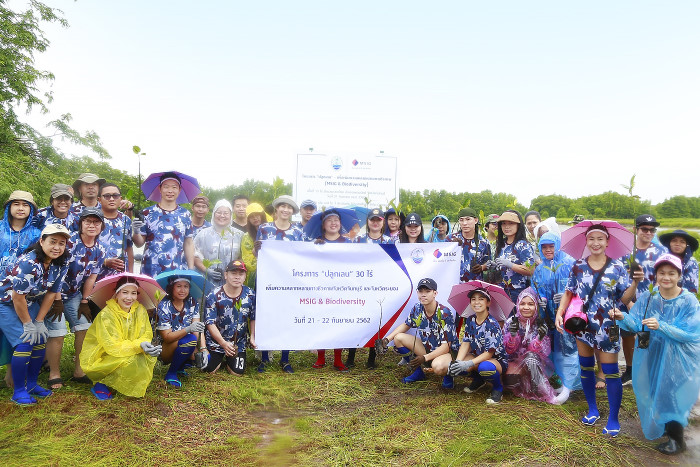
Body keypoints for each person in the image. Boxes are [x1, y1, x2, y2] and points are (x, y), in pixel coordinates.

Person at [610, 254, 700, 455]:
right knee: (653, 390)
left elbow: (690, 333)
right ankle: (666, 428)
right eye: (662, 273)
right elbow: (636, 325)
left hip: (679, 358)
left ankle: (677, 440)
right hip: (652, 354)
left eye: (671, 273)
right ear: (655, 275)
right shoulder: (649, 297)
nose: (666, 277)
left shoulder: (689, 301)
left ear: (679, 275)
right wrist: (622, 316)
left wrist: (662, 326)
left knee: (671, 394)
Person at [554, 223, 638, 437]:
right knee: (586, 367)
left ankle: (613, 418)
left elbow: (624, 298)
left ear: (608, 242)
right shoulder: (578, 265)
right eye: (591, 239)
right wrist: (560, 313)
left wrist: (635, 284)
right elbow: (569, 292)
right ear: (586, 242)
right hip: (582, 325)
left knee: (610, 372)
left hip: (607, 326)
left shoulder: (617, 268)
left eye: (600, 239)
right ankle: (592, 409)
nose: (596, 243)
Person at [0, 224, 70, 405]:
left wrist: (39, 321)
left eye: (61, 243)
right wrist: (28, 323)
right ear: (41, 241)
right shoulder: (29, 263)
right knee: (25, 340)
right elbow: (17, 297)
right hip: (5, 302)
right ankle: (19, 391)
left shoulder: (61, 262)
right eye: (52, 242)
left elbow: (51, 292)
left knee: (40, 338)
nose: (57, 247)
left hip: (28, 301)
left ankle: (32, 385)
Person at [45, 208, 106, 390]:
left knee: (84, 326)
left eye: (96, 222)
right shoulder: (69, 242)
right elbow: (55, 270)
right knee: (58, 331)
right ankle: (54, 373)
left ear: (102, 226)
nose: (92, 225)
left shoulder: (100, 249)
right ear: (81, 223)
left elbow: (91, 278)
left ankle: (79, 370)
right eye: (88, 221)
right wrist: (56, 300)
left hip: (73, 294)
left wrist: (85, 300)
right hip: (52, 293)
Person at [80, 276, 161, 400]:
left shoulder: (139, 310)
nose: (129, 297)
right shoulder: (107, 314)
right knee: (131, 359)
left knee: (142, 357)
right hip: (106, 353)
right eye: (125, 292)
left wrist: (144, 343)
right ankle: (101, 382)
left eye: (133, 293)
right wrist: (138, 346)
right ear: (117, 293)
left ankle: (119, 381)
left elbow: (145, 333)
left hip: (130, 348)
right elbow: (112, 346)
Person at [255, 195, 303, 373]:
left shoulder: (297, 232)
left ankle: (285, 358)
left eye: (289, 207)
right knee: (266, 315)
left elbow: (303, 255)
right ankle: (265, 358)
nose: (285, 209)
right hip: (267, 280)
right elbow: (256, 252)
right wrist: (256, 248)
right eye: (282, 206)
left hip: (288, 281)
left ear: (292, 211)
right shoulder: (264, 228)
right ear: (276, 209)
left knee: (286, 317)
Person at [619, 214, 668, 386]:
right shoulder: (625, 252)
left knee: (646, 334)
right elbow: (619, 278)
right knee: (627, 335)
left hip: (651, 302)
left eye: (652, 230)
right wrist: (629, 302)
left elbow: (664, 277)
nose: (648, 233)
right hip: (628, 300)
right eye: (644, 229)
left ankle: (645, 370)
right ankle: (630, 369)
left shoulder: (661, 252)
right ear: (636, 230)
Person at [381, 278, 456, 388]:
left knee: (438, 367)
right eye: (421, 291)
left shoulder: (444, 313)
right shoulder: (418, 308)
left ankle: (448, 375)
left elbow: (446, 346)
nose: (423, 295)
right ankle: (417, 372)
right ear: (417, 293)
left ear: (435, 293)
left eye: (427, 291)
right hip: (427, 347)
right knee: (398, 338)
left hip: (445, 352)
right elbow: (407, 325)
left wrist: (425, 358)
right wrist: (387, 339)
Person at [531, 232, 579, 404]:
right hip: (548, 316)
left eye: (551, 246)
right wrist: (540, 299)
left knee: (568, 349)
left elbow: (578, 287)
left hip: (566, 315)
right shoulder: (539, 269)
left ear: (558, 245)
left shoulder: (568, 263)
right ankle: (558, 383)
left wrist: (568, 296)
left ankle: (570, 385)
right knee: (551, 350)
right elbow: (535, 287)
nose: (548, 250)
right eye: (544, 247)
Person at [447, 288, 508, 404]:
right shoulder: (470, 320)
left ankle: (497, 388)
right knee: (456, 366)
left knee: (485, 368)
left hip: (496, 361)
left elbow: (489, 353)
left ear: (488, 302)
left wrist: (468, 363)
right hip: (478, 356)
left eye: (481, 299)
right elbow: (466, 342)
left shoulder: (492, 324)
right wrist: (459, 362)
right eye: (473, 299)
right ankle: (479, 380)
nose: (476, 302)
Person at [132, 172, 195, 277]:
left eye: (174, 187)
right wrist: (136, 231)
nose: (170, 191)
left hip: (175, 269)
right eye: (166, 187)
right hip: (150, 269)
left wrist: (191, 268)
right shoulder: (147, 213)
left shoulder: (186, 214)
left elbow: (188, 243)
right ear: (160, 189)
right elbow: (139, 243)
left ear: (179, 190)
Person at [312, 209, 353, 372]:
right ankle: (320, 357)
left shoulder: (348, 244)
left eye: (336, 220)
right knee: (322, 321)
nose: (333, 223)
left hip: (341, 288)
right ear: (323, 225)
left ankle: (338, 359)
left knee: (339, 322)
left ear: (340, 224)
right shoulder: (316, 243)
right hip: (321, 288)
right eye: (329, 220)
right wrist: (317, 248)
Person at [503, 287, 559, 404]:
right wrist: (512, 336)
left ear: (536, 307)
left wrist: (540, 338)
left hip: (534, 364)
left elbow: (542, 353)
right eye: (522, 304)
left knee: (531, 357)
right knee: (511, 380)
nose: (526, 307)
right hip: (514, 363)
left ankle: (544, 392)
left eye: (530, 304)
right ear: (517, 304)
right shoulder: (510, 322)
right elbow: (507, 351)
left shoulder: (539, 323)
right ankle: (525, 388)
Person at [203, 260, 256, 375]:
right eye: (233, 273)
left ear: (245, 276)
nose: (237, 277)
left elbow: (253, 317)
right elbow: (209, 323)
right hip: (216, 343)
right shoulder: (213, 295)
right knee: (209, 370)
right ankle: (217, 358)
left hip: (238, 344)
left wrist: (252, 336)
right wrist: (222, 343)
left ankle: (230, 361)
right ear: (226, 275)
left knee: (237, 372)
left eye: (241, 274)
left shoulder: (250, 294)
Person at [156, 276, 205, 387]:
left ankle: (180, 367)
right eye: (178, 286)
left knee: (204, 356)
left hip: (186, 342)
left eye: (186, 286)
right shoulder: (164, 305)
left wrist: (203, 349)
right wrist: (188, 329)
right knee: (190, 340)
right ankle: (171, 373)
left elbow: (196, 329)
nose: (182, 290)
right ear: (171, 288)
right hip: (166, 347)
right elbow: (167, 337)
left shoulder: (192, 302)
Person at [193, 200, 243, 289]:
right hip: (207, 282)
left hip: (232, 284)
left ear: (231, 215)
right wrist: (206, 270)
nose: (222, 216)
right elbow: (194, 256)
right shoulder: (203, 234)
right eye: (219, 212)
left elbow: (243, 257)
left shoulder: (239, 235)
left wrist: (233, 272)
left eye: (226, 213)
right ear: (214, 214)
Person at [493, 210, 535, 305]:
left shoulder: (522, 245)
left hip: (517, 291)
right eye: (503, 224)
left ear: (518, 225)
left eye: (511, 223)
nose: (507, 227)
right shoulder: (502, 244)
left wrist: (510, 264)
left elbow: (530, 271)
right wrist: (494, 266)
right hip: (502, 290)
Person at [97, 183, 134, 279]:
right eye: (107, 196)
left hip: (120, 275)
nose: (112, 199)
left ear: (120, 198)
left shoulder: (126, 219)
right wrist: (104, 261)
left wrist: (131, 274)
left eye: (115, 196)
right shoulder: (92, 219)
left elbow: (129, 247)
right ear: (99, 200)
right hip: (95, 275)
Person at [0, 191, 41, 274]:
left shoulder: (36, 234)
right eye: (16, 204)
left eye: (25, 205)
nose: (20, 208)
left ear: (31, 209)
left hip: (20, 281)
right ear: (9, 207)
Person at [448, 207, 491, 283]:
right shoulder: (450, 239)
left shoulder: (483, 242)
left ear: (475, 220)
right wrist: (452, 246)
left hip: (475, 286)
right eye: (461, 220)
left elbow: (489, 262)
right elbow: (440, 260)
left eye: (468, 219)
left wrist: (482, 267)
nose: (464, 223)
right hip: (454, 283)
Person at [659, 229, 698, 294]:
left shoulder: (691, 262)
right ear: (669, 243)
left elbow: (692, 289)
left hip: (683, 298)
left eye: (682, 242)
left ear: (686, 245)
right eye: (674, 241)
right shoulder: (662, 259)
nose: (677, 244)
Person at [240, 203, 269, 288]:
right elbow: (248, 262)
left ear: (262, 215)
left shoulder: (272, 232)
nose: (255, 218)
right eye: (251, 216)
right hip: (254, 278)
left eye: (257, 215)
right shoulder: (246, 237)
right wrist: (255, 252)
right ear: (248, 219)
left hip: (272, 274)